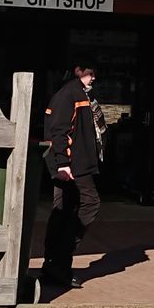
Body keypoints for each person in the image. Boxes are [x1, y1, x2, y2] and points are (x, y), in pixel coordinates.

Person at [41, 64, 101, 292]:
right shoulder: (70, 95)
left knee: (62, 210)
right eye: (89, 73)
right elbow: (59, 131)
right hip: (74, 164)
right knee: (90, 203)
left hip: (72, 162)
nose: (93, 77)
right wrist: (63, 163)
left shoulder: (74, 94)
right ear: (78, 71)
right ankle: (60, 258)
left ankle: (53, 264)